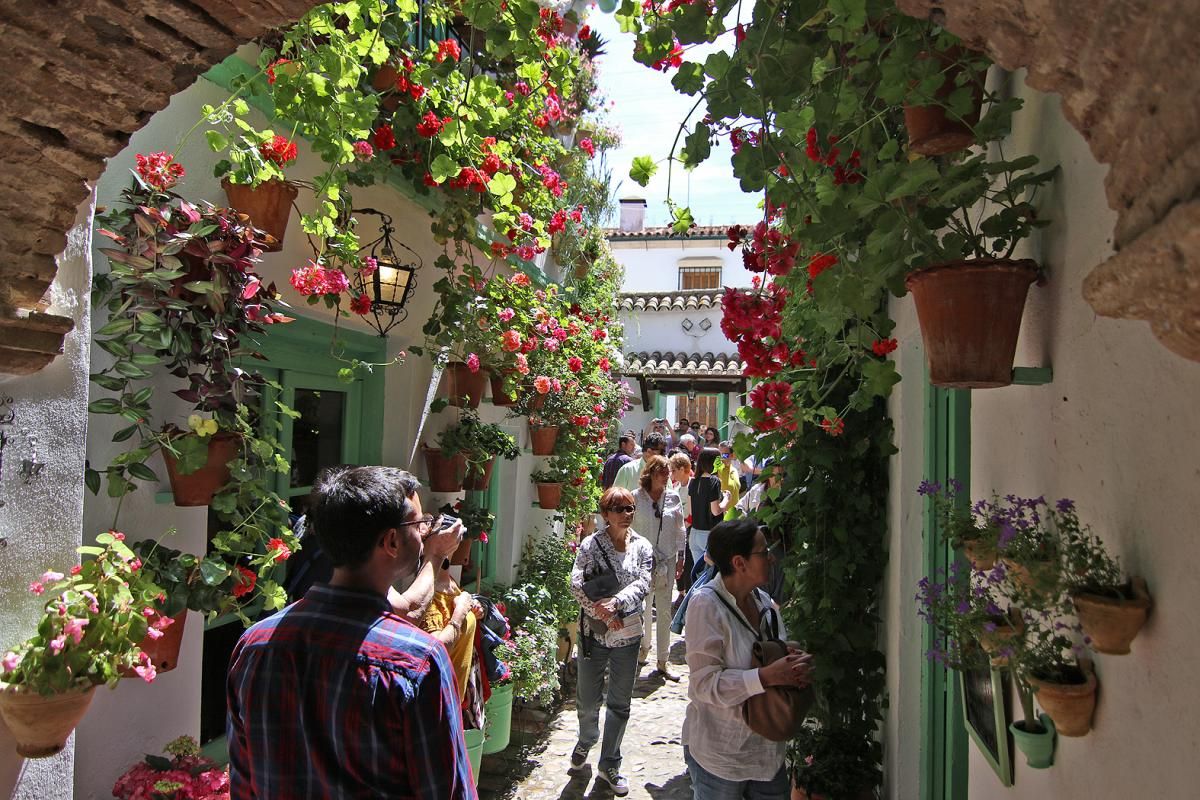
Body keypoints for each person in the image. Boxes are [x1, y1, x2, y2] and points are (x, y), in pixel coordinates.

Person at [227, 466, 477, 798]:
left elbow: (243, 784)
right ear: (390, 541)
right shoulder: (418, 661)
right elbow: (446, 790)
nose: (425, 533)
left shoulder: (255, 646)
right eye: (419, 525)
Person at [682, 518, 813, 800]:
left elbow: (772, 651)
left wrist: (792, 657)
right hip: (721, 757)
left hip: (767, 754)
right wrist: (767, 677)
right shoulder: (706, 605)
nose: (772, 558)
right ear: (740, 563)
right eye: (764, 552)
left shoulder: (763, 602)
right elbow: (704, 685)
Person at [569, 487, 654, 797]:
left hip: (629, 634)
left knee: (620, 703)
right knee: (588, 700)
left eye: (630, 508)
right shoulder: (591, 545)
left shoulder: (643, 547)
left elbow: (644, 583)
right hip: (595, 634)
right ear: (605, 514)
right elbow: (576, 582)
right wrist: (602, 615)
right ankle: (587, 738)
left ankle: (610, 763)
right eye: (619, 509)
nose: (626, 514)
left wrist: (616, 602)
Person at [631, 456, 686, 680]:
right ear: (651, 473)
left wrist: (681, 556)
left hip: (667, 561)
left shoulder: (673, 498)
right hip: (641, 561)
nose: (665, 476)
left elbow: (680, 529)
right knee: (641, 608)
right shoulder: (636, 498)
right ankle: (643, 648)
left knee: (663, 609)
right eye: (661, 472)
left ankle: (663, 660)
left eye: (667, 472)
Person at [688, 448, 732, 571]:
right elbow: (716, 511)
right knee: (716, 573)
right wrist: (727, 499)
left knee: (700, 576)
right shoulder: (714, 481)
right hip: (709, 534)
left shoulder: (693, 481)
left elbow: (691, 511)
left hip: (694, 534)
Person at [717, 441, 742, 521]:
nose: (721, 458)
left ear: (732, 455)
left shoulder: (734, 470)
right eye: (719, 455)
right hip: (721, 517)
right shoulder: (716, 471)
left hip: (734, 517)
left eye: (724, 455)